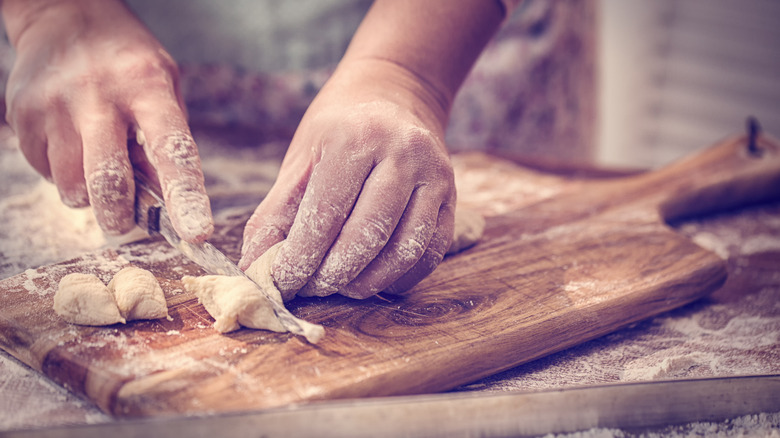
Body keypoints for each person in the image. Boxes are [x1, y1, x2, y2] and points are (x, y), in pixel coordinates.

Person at [1, 0, 516, 300]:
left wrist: (409, 73)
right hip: (105, 51)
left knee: (407, 197)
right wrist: (53, 12)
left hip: (449, 33)